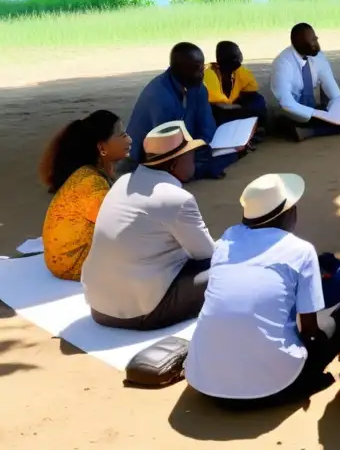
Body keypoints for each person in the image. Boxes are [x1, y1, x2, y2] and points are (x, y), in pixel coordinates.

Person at [185, 173, 340, 408]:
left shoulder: (227, 240)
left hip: (205, 385)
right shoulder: (301, 250)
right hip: (272, 389)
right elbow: (310, 331)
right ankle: (310, 381)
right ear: (289, 214)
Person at [82, 121, 216, 331]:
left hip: (98, 308)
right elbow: (207, 254)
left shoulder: (123, 181)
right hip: (140, 313)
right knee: (227, 272)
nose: (194, 161)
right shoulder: (176, 199)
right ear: (174, 163)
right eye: (190, 155)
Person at [125, 43, 241, 180]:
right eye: (196, 70)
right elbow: (162, 149)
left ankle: (202, 166)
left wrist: (206, 147)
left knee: (232, 151)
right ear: (179, 70)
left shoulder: (198, 88)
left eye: (202, 68)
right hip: (151, 155)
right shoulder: (160, 97)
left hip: (185, 145)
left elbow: (207, 126)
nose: (202, 74)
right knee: (188, 169)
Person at [39, 111, 132, 281]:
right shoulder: (91, 183)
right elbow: (118, 224)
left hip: (62, 261)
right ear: (102, 148)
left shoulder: (91, 174)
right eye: (122, 135)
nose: (129, 140)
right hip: (71, 264)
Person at [271, 23, 340, 141]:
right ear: (299, 42)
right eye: (312, 40)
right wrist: (315, 114)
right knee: (284, 121)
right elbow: (286, 103)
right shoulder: (283, 64)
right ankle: (312, 130)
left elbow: (332, 89)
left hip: (313, 109)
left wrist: (338, 110)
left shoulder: (318, 57)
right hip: (291, 111)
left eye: (316, 39)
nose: (317, 43)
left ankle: (308, 132)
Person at [203, 41, 268, 128]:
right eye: (236, 56)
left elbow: (251, 93)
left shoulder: (239, 71)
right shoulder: (209, 74)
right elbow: (219, 105)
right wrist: (244, 110)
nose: (239, 59)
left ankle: (250, 126)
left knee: (258, 100)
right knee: (218, 115)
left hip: (234, 108)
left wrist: (242, 107)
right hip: (217, 110)